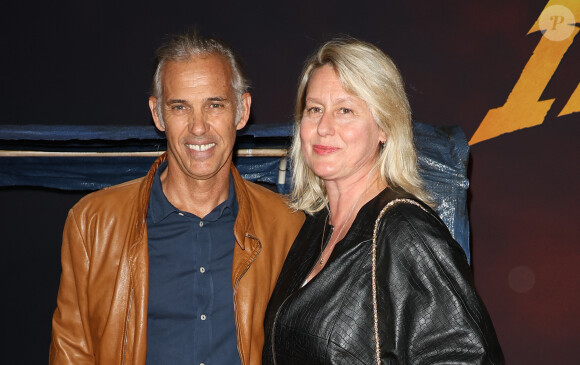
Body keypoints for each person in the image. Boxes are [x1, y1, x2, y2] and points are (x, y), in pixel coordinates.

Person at [49, 31, 304, 365]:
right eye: (180, 107)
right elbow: (72, 354)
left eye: (215, 105)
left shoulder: (287, 226)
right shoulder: (92, 224)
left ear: (242, 111)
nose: (198, 127)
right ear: (158, 115)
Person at [262, 38, 504, 364]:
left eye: (345, 110)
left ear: (384, 127)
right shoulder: (315, 227)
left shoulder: (405, 231)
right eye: (314, 109)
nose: (323, 127)